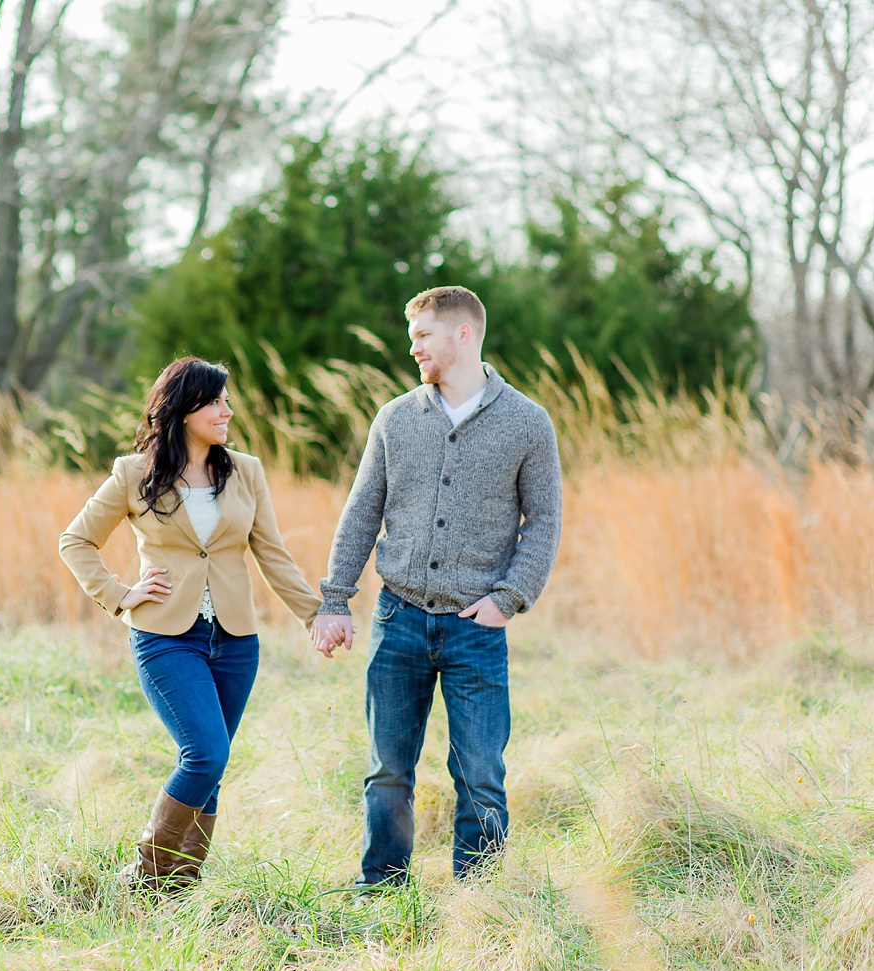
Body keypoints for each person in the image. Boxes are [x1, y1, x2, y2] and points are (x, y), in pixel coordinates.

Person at [311, 286, 562, 890]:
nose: (413, 347)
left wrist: (508, 599)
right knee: (387, 771)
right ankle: (382, 893)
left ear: (463, 335)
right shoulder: (395, 418)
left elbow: (546, 520)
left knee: (480, 772)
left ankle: (480, 903)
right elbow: (361, 510)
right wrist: (335, 598)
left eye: (423, 336)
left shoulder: (528, 422)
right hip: (397, 619)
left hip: (476, 628)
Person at [59, 357, 321, 892]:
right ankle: (146, 875)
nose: (228, 410)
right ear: (183, 409)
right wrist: (120, 594)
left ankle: (180, 891)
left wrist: (315, 614)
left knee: (212, 768)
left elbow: (271, 553)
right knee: (205, 753)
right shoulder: (134, 473)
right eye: (217, 401)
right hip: (166, 637)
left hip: (235, 639)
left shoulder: (245, 470)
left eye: (227, 401)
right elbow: (75, 542)